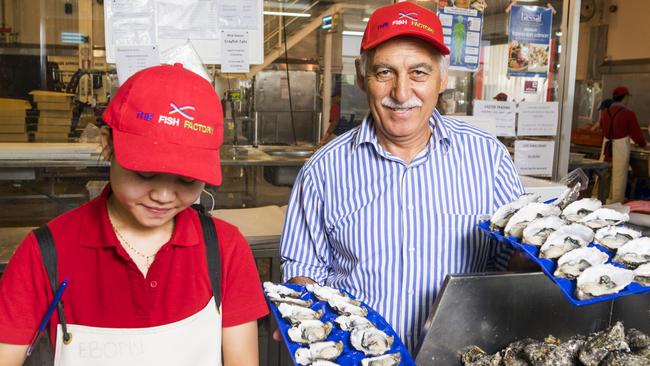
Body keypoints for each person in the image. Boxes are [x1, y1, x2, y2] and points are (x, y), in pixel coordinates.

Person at [280, 1, 523, 353]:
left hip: (461, 356)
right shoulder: (322, 171)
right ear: (361, 76)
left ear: (442, 79)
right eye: (385, 73)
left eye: (419, 73)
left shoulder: (488, 158)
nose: (402, 92)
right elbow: (303, 271)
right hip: (358, 357)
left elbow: (510, 263)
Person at [0, 64, 268, 366]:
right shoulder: (46, 252)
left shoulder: (225, 249)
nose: (163, 196)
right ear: (107, 144)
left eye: (186, 179)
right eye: (144, 173)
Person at [599, 86, 650, 203]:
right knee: (619, 176)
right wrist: (643, 145)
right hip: (620, 148)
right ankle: (615, 203)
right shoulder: (628, 114)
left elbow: (602, 127)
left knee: (605, 174)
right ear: (625, 97)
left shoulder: (604, 113)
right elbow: (636, 134)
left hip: (606, 146)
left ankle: (601, 200)